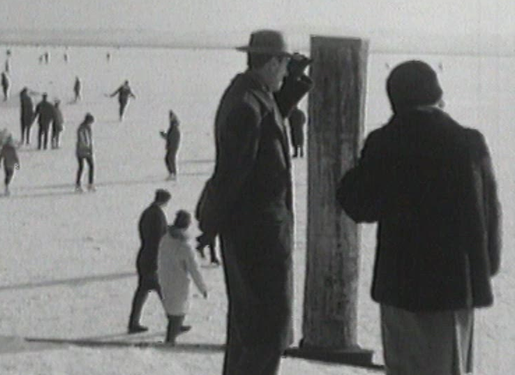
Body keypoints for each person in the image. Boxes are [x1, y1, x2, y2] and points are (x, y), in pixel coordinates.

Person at [337, 60, 501, 375]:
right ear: (435, 94)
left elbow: (358, 204)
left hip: (401, 287)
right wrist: (485, 266)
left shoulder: (385, 141)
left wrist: (354, 171)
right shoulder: (468, 142)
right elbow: (490, 212)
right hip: (455, 288)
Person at [195, 30, 312, 375]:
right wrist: (209, 226)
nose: (285, 71)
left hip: (257, 234)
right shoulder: (247, 106)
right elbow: (229, 175)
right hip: (256, 239)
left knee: (253, 330)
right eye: (283, 64)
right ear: (272, 62)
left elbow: (273, 113)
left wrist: (295, 78)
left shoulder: (254, 96)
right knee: (265, 332)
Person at [158, 210, 208, 345]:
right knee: (179, 309)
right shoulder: (185, 245)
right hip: (179, 281)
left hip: (164, 275)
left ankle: (177, 328)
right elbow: (194, 269)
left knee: (171, 305)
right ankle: (170, 339)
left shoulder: (166, 238)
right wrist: (203, 287)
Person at [128, 189, 171, 333]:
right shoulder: (157, 215)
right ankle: (174, 321)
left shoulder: (147, 212)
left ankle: (133, 322)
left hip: (144, 255)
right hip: (152, 258)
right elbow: (158, 238)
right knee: (162, 291)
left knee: (143, 292)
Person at [75, 113, 95, 192]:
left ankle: (81, 184)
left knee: (82, 167)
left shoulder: (84, 127)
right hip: (83, 151)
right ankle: (87, 184)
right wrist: (89, 149)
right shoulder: (84, 128)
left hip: (82, 150)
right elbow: (85, 140)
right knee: (88, 166)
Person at [160, 111, 181, 180]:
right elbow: (169, 137)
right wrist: (164, 135)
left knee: (170, 159)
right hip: (170, 147)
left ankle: (173, 174)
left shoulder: (174, 128)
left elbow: (172, 138)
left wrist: (171, 145)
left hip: (172, 147)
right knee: (168, 159)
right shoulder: (172, 128)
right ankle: (171, 173)